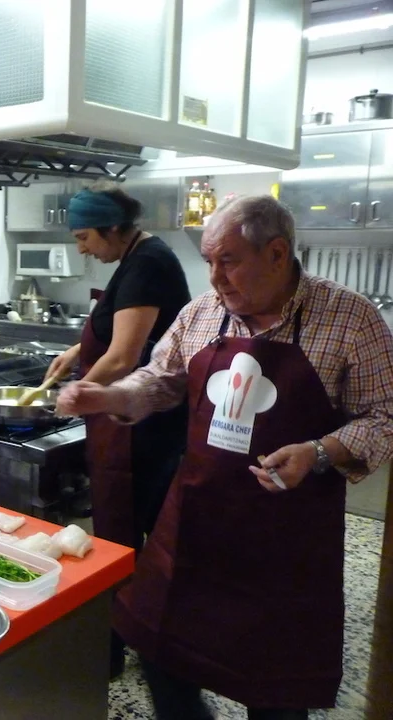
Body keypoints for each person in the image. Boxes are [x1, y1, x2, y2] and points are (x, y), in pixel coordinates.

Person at [58, 195, 393, 719]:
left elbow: (385, 415)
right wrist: (110, 396)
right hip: (195, 520)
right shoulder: (203, 312)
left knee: (274, 685)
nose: (214, 278)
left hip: (286, 539)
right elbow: (161, 380)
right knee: (159, 649)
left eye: (228, 261)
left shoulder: (349, 318)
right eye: (209, 261)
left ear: (277, 253)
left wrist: (319, 451)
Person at [46, 182, 191, 677]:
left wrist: (76, 392)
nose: (82, 249)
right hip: (126, 422)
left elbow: (125, 356)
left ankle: (120, 645)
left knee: (121, 538)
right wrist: (74, 354)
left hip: (138, 427)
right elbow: (111, 331)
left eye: (84, 237)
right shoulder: (135, 258)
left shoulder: (148, 264)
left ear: (112, 228)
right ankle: (127, 636)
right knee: (119, 532)